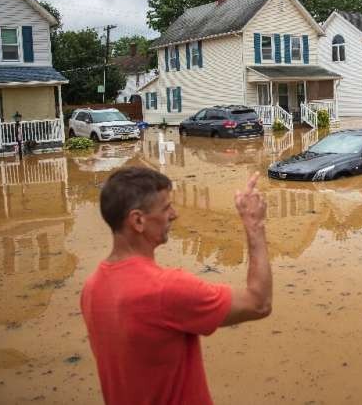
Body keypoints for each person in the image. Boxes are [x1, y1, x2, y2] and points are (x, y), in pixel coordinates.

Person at [81, 167, 272, 405]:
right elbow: (259, 303)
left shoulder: (91, 288)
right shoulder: (167, 289)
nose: (174, 214)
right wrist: (254, 226)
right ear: (138, 220)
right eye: (165, 208)